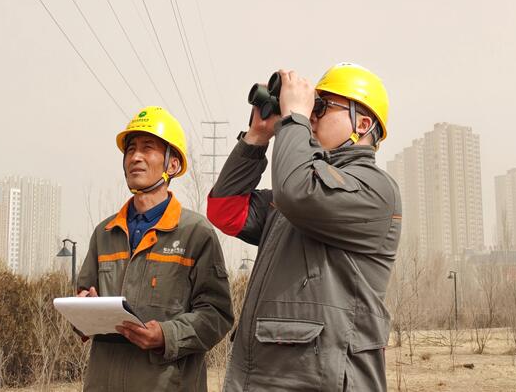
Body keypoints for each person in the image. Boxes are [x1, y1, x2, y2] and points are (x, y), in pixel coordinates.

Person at [207, 63, 402, 391]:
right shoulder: (296, 192)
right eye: (313, 106)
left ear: (363, 123)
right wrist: (257, 136)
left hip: (323, 379)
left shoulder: (375, 188)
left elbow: (297, 191)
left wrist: (294, 114)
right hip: (262, 378)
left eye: (322, 107)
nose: (311, 115)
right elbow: (225, 210)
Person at [77, 106, 233, 392]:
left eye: (148, 148)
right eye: (130, 149)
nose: (135, 157)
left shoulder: (196, 233)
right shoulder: (105, 233)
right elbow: (83, 299)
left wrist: (167, 335)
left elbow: (217, 315)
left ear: (172, 165)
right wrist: (84, 310)